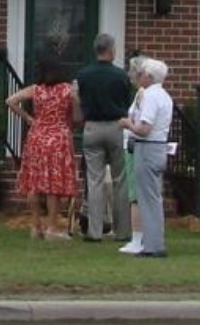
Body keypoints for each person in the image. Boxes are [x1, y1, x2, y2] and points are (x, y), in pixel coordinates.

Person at [6, 53, 80, 240]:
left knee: (34, 181)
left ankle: (35, 225)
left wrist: (28, 118)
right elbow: (77, 117)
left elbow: (10, 100)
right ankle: (52, 228)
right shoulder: (67, 90)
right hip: (58, 138)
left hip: (37, 137)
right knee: (53, 183)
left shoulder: (36, 89)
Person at [75, 33, 132, 243]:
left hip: (92, 127)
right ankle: (122, 231)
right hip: (117, 126)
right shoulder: (121, 75)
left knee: (94, 180)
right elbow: (127, 103)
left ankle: (95, 231)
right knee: (120, 180)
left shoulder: (83, 75)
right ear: (111, 49)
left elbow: (79, 100)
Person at [119, 57, 172, 257]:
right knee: (153, 197)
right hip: (158, 147)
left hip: (147, 148)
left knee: (147, 199)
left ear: (149, 76)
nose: (138, 77)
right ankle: (153, 242)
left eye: (141, 74)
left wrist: (128, 124)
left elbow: (144, 128)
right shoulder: (164, 96)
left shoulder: (150, 96)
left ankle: (153, 245)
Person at [118, 52, 149, 255]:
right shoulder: (142, 94)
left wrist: (126, 123)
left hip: (135, 145)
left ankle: (138, 238)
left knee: (135, 194)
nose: (129, 75)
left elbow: (140, 122)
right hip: (135, 144)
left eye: (132, 71)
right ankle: (141, 237)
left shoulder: (143, 95)